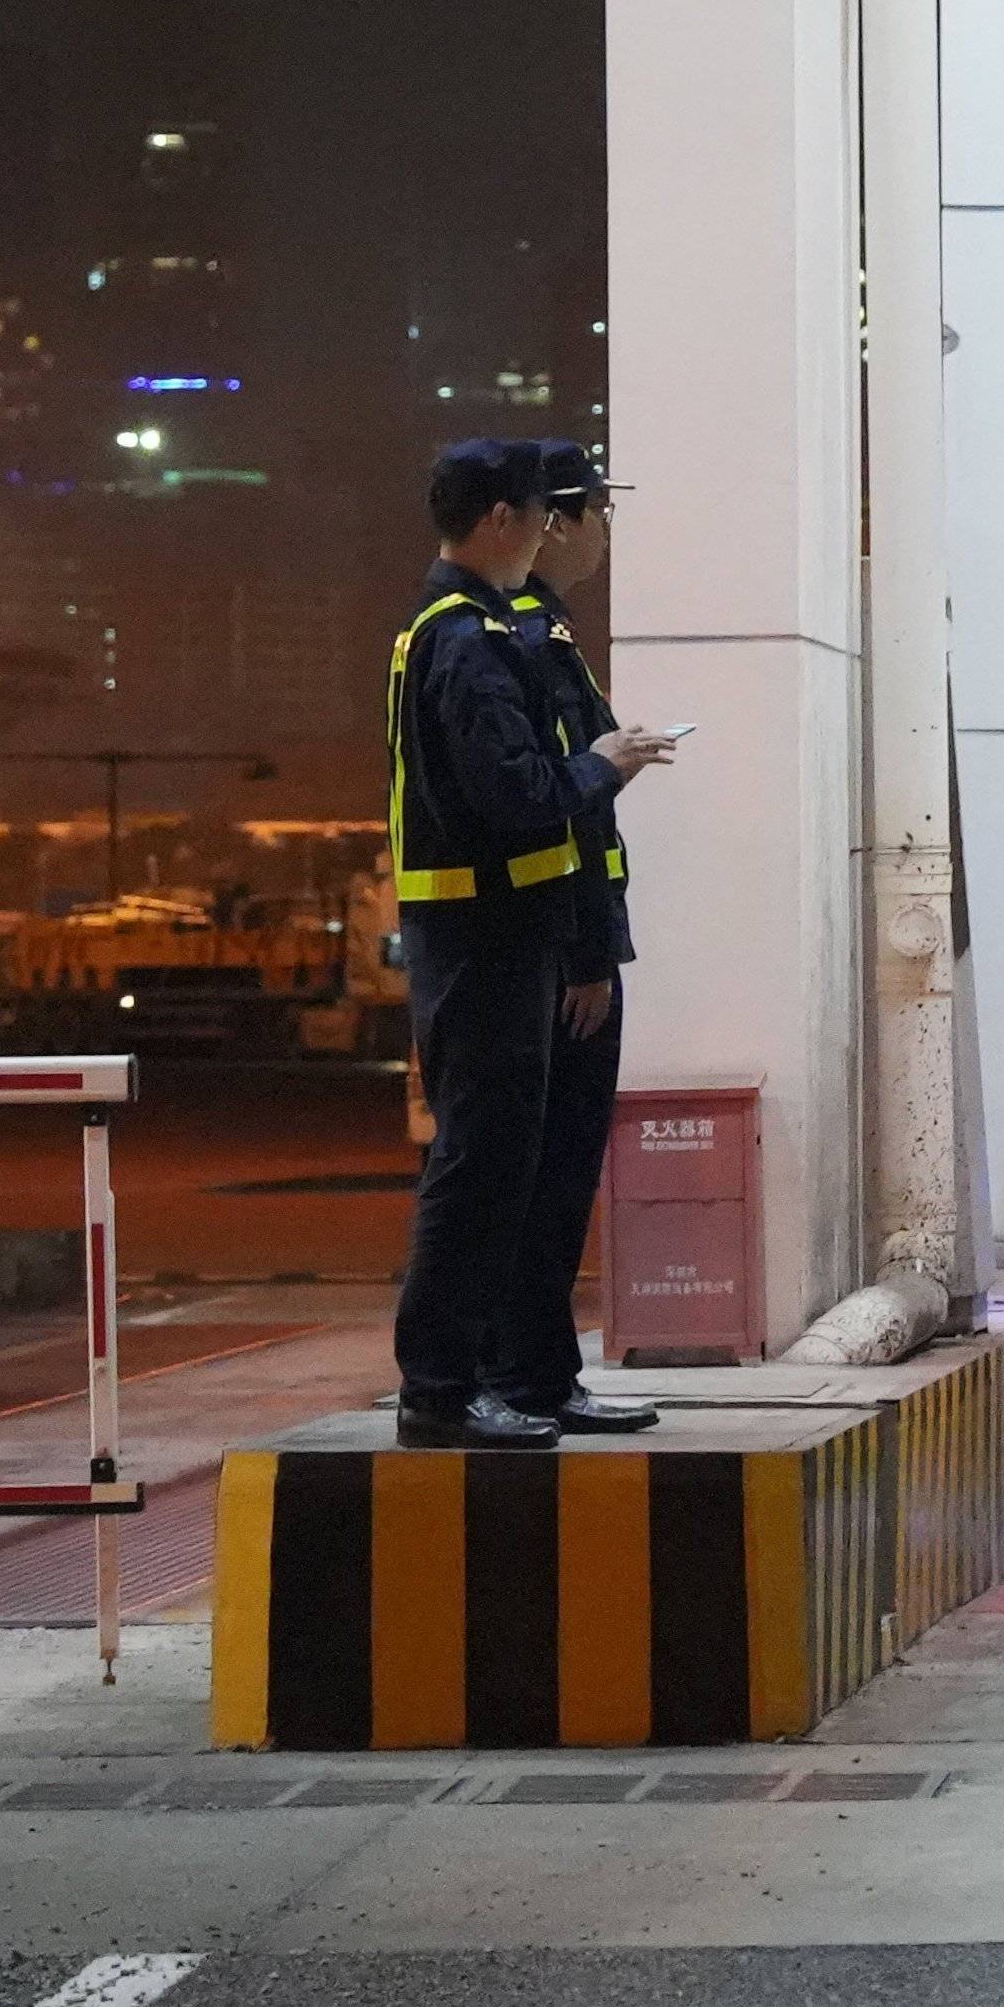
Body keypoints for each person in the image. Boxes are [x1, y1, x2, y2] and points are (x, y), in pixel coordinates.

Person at [385, 438, 669, 1444]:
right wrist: (602, 765)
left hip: (515, 935)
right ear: (505, 519)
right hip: (486, 941)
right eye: (551, 511)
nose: (562, 529)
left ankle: (529, 1378)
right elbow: (519, 796)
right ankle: (440, 1392)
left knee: (525, 1175)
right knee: (480, 1173)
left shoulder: (495, 630)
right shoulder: (467, 641)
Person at [490, 438, 651, 1425]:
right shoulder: (523, 639)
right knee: (543, 1179)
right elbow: (556, 809)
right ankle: (528, 1378)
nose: (607, 530)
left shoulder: (544, 631)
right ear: (554, 522)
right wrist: (588, 953)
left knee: (552, 1178)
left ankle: (538, 1376)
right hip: (556, 956)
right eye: (599, 508)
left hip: (558, 948)